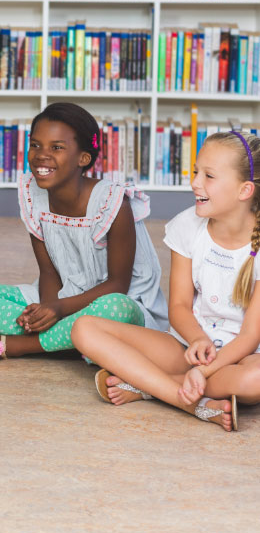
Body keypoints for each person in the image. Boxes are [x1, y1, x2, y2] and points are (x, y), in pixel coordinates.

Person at [73, 131, 260, 432]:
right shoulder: (187, 225)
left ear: (244, 190)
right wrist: (197, 340)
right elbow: (179, 305)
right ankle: (185, 399)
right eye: (196, 171)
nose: (195, 182)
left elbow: (250, 337)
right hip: (186, 347)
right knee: (84, 328)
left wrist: (207, 370)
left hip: (242, 358)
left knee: (256, 379)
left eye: (209, 176)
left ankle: (148, 386)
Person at [0, 102, 168, 363]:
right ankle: (68, 343)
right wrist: (44, 312)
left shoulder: (113, 203)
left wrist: (58, 309)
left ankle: (17, 347)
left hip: (113, 303)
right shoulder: (33, 195)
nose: (41, 155)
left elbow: (118, 286)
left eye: (56, 147)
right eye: (35, 145)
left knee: (117, 310)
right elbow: (48, 272)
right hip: (62, 299)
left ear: (84, 158)